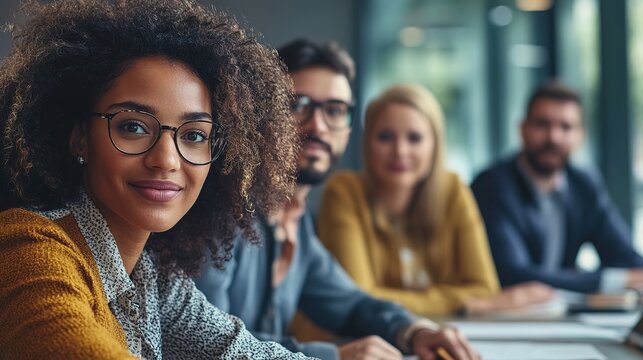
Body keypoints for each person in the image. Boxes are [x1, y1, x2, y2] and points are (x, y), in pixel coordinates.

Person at [0, 1, 310, 359]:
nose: (166, 159)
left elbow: (244, 353)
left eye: (194, 135)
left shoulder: (153, 278)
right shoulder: (26, 248)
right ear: (79, 137)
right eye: (132, 126)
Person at [195, 39, 480, 360]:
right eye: (297, 105)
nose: (318, 125)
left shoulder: (295, 223)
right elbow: (205, 343)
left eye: (334, 111)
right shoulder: (220, 209)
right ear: (264, 113)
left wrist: (415, 332)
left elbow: (353, 304)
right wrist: (335, 355)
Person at [316, 84, 554, 317]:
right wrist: (465, 302)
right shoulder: (344, 192)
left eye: (415, 138)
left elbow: (484, 288)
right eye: (385, 137)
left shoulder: (453, 190)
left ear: (435, 145)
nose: (400, 151)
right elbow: (360, 299)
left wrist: (475, 301)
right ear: (367, 144)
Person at [471, 81, 643, 294]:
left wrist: (626, 276)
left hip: (562, 317)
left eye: (566, 127)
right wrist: (612, 281)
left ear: (581, 135)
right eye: (542, 124)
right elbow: (513, 273)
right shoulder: (492, 186)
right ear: (523, 129)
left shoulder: (584, 184)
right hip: (505, 319)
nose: (554, 137)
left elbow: (627, 258)